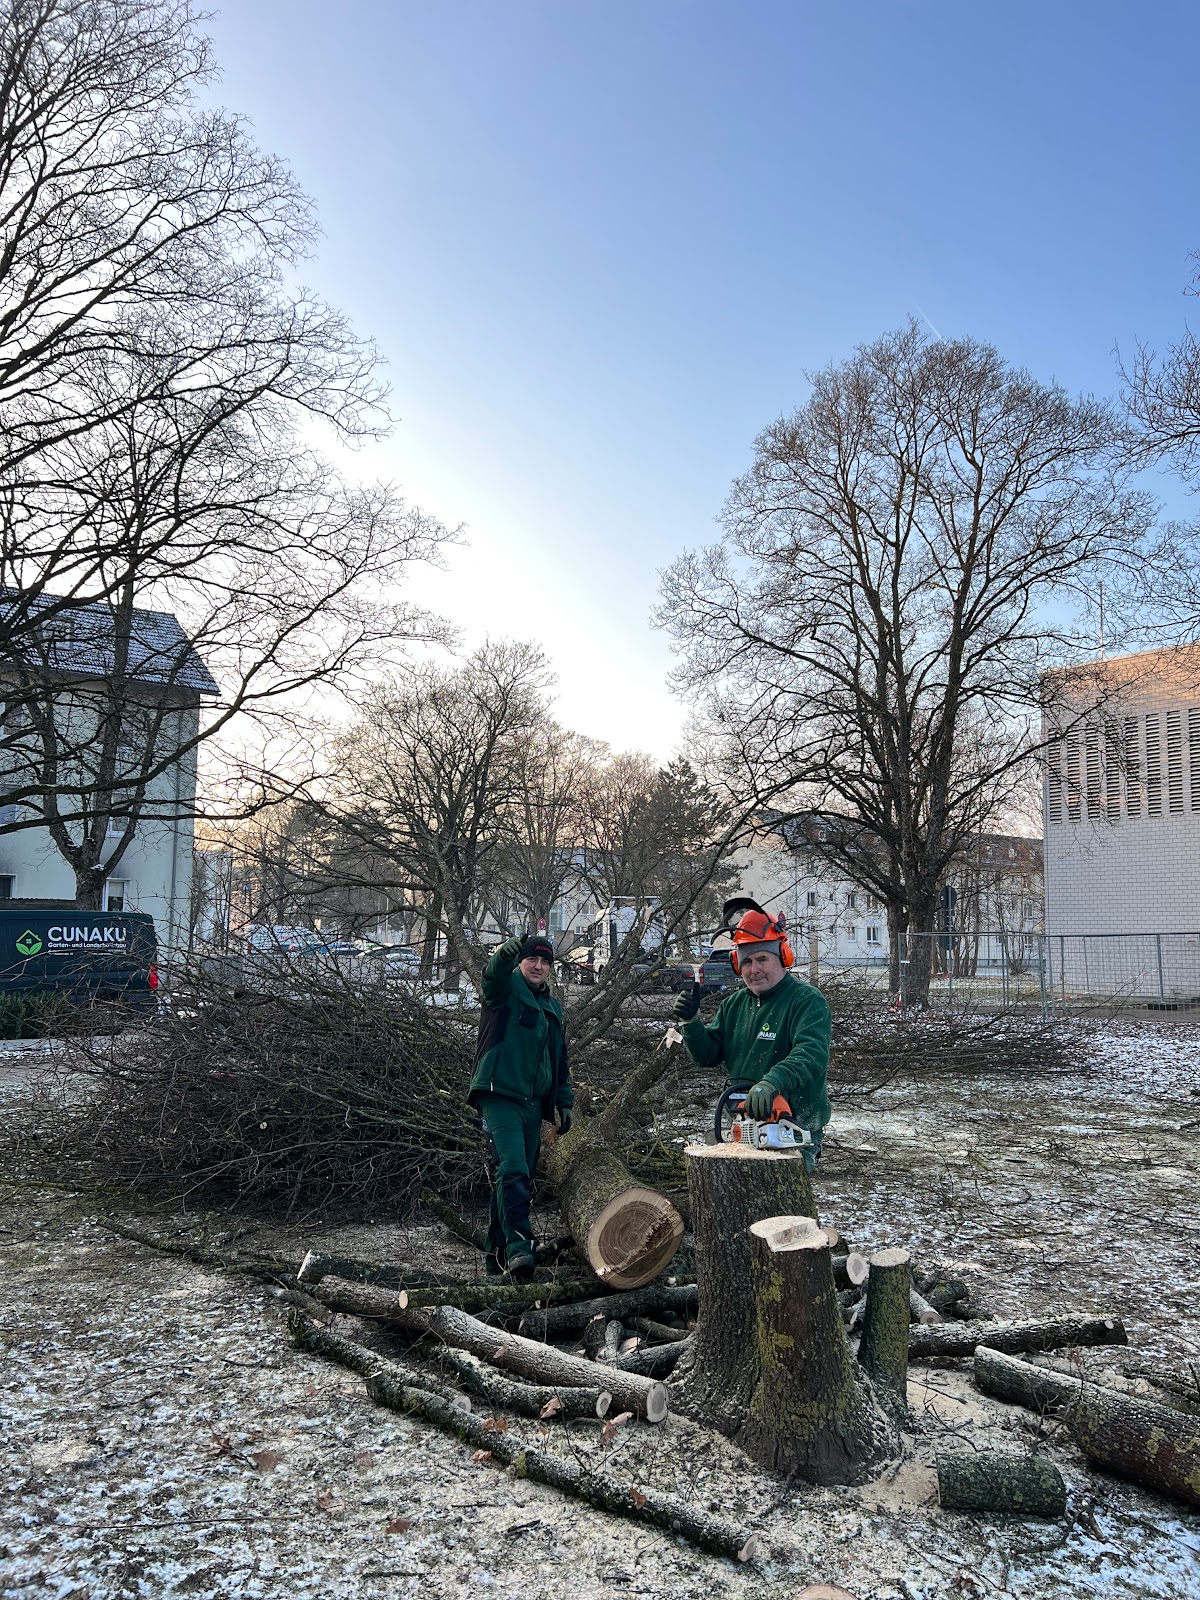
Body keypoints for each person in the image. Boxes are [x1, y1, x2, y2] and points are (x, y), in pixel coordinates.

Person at [673, 907, 830, 1170]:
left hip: (792, 1125)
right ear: (737, 964)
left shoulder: (806, 1000)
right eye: (747, 962)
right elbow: (707, 1055)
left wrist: (772, 1082)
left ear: (782, 956)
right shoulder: (734, 1004)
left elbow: (811, 1053)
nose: (754, 969)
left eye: (762, 959)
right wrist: (691, 1023)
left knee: (782, 1192)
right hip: (743, 1121)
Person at [469, 932, 573, 1280]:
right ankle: (520, 1247)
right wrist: (503, 955)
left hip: (533, 1104)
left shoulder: (552, 1007)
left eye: (544, 961)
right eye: (532, 959)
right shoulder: (507, 989)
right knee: (512, 1167)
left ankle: (496, 1260)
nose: (538, 966)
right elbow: (491, 978)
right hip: (499, 1094)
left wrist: (564, 1101)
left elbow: (559, 1059)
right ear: (521, 961)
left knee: (517, 1176)